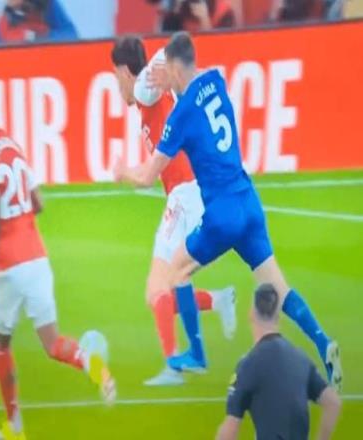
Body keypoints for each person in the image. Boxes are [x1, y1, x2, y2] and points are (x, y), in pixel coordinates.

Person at [114, 31, 343, 390]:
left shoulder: (180, 117)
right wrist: (169, 75)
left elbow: (146, 177)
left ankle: (196, 354)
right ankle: (323, 342)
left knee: (176, 271)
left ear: (173, 68)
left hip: (221, 215)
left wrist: (122, 172)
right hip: (249, 202)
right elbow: (189, 74)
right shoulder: (216, 80)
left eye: (168, 71)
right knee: (279, 287)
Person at [0, 83, 115, 440]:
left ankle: (14, 426)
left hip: (9, 262)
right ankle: (92, 364)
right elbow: (39, 202)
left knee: (1, 344)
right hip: (37, 257)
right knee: (52, 343)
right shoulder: (11, 144)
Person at [111, 36, 236, 386]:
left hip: (186, 195)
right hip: (186, 195)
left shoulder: (145, 90)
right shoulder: (152, 101)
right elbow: (150, 173)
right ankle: (217, 301)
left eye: (116, 77)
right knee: (162, 291)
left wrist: (162, 60)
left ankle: (173, 366)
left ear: (125, 71)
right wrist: (127, 173)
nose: (117, 86)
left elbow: (167, 51)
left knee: (157, 290)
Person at [216, 284, 341, 440]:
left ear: (251, 314)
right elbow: (333, 403)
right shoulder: (300, 358)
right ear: (279, 318)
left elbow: (230, 429)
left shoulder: (248, 364)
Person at [0, 0, 77, 44]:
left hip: (46, 60)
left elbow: (71, 35)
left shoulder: (47, 4)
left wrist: (38, 36)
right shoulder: (3, 19)